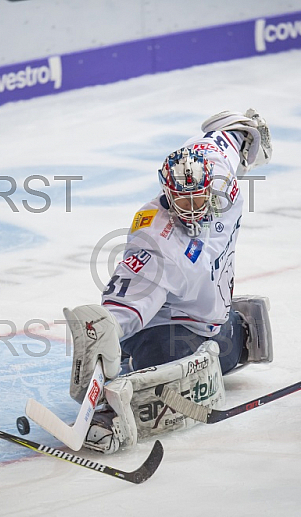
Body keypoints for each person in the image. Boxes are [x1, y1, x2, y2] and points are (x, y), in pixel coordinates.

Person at [62, 109, 274, 453]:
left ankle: (222, 334)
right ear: (167, 191)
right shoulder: (155, 236)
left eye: (197, 196)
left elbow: (226, 136)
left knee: (232, 346)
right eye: (181, 198)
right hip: (166, 330)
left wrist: (246, 136)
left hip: (211, 322)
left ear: (212, 185)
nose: (191, 206)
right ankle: (110, 412)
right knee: (172, 381)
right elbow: (130, 299)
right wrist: (109, 327)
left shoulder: (221, 176)